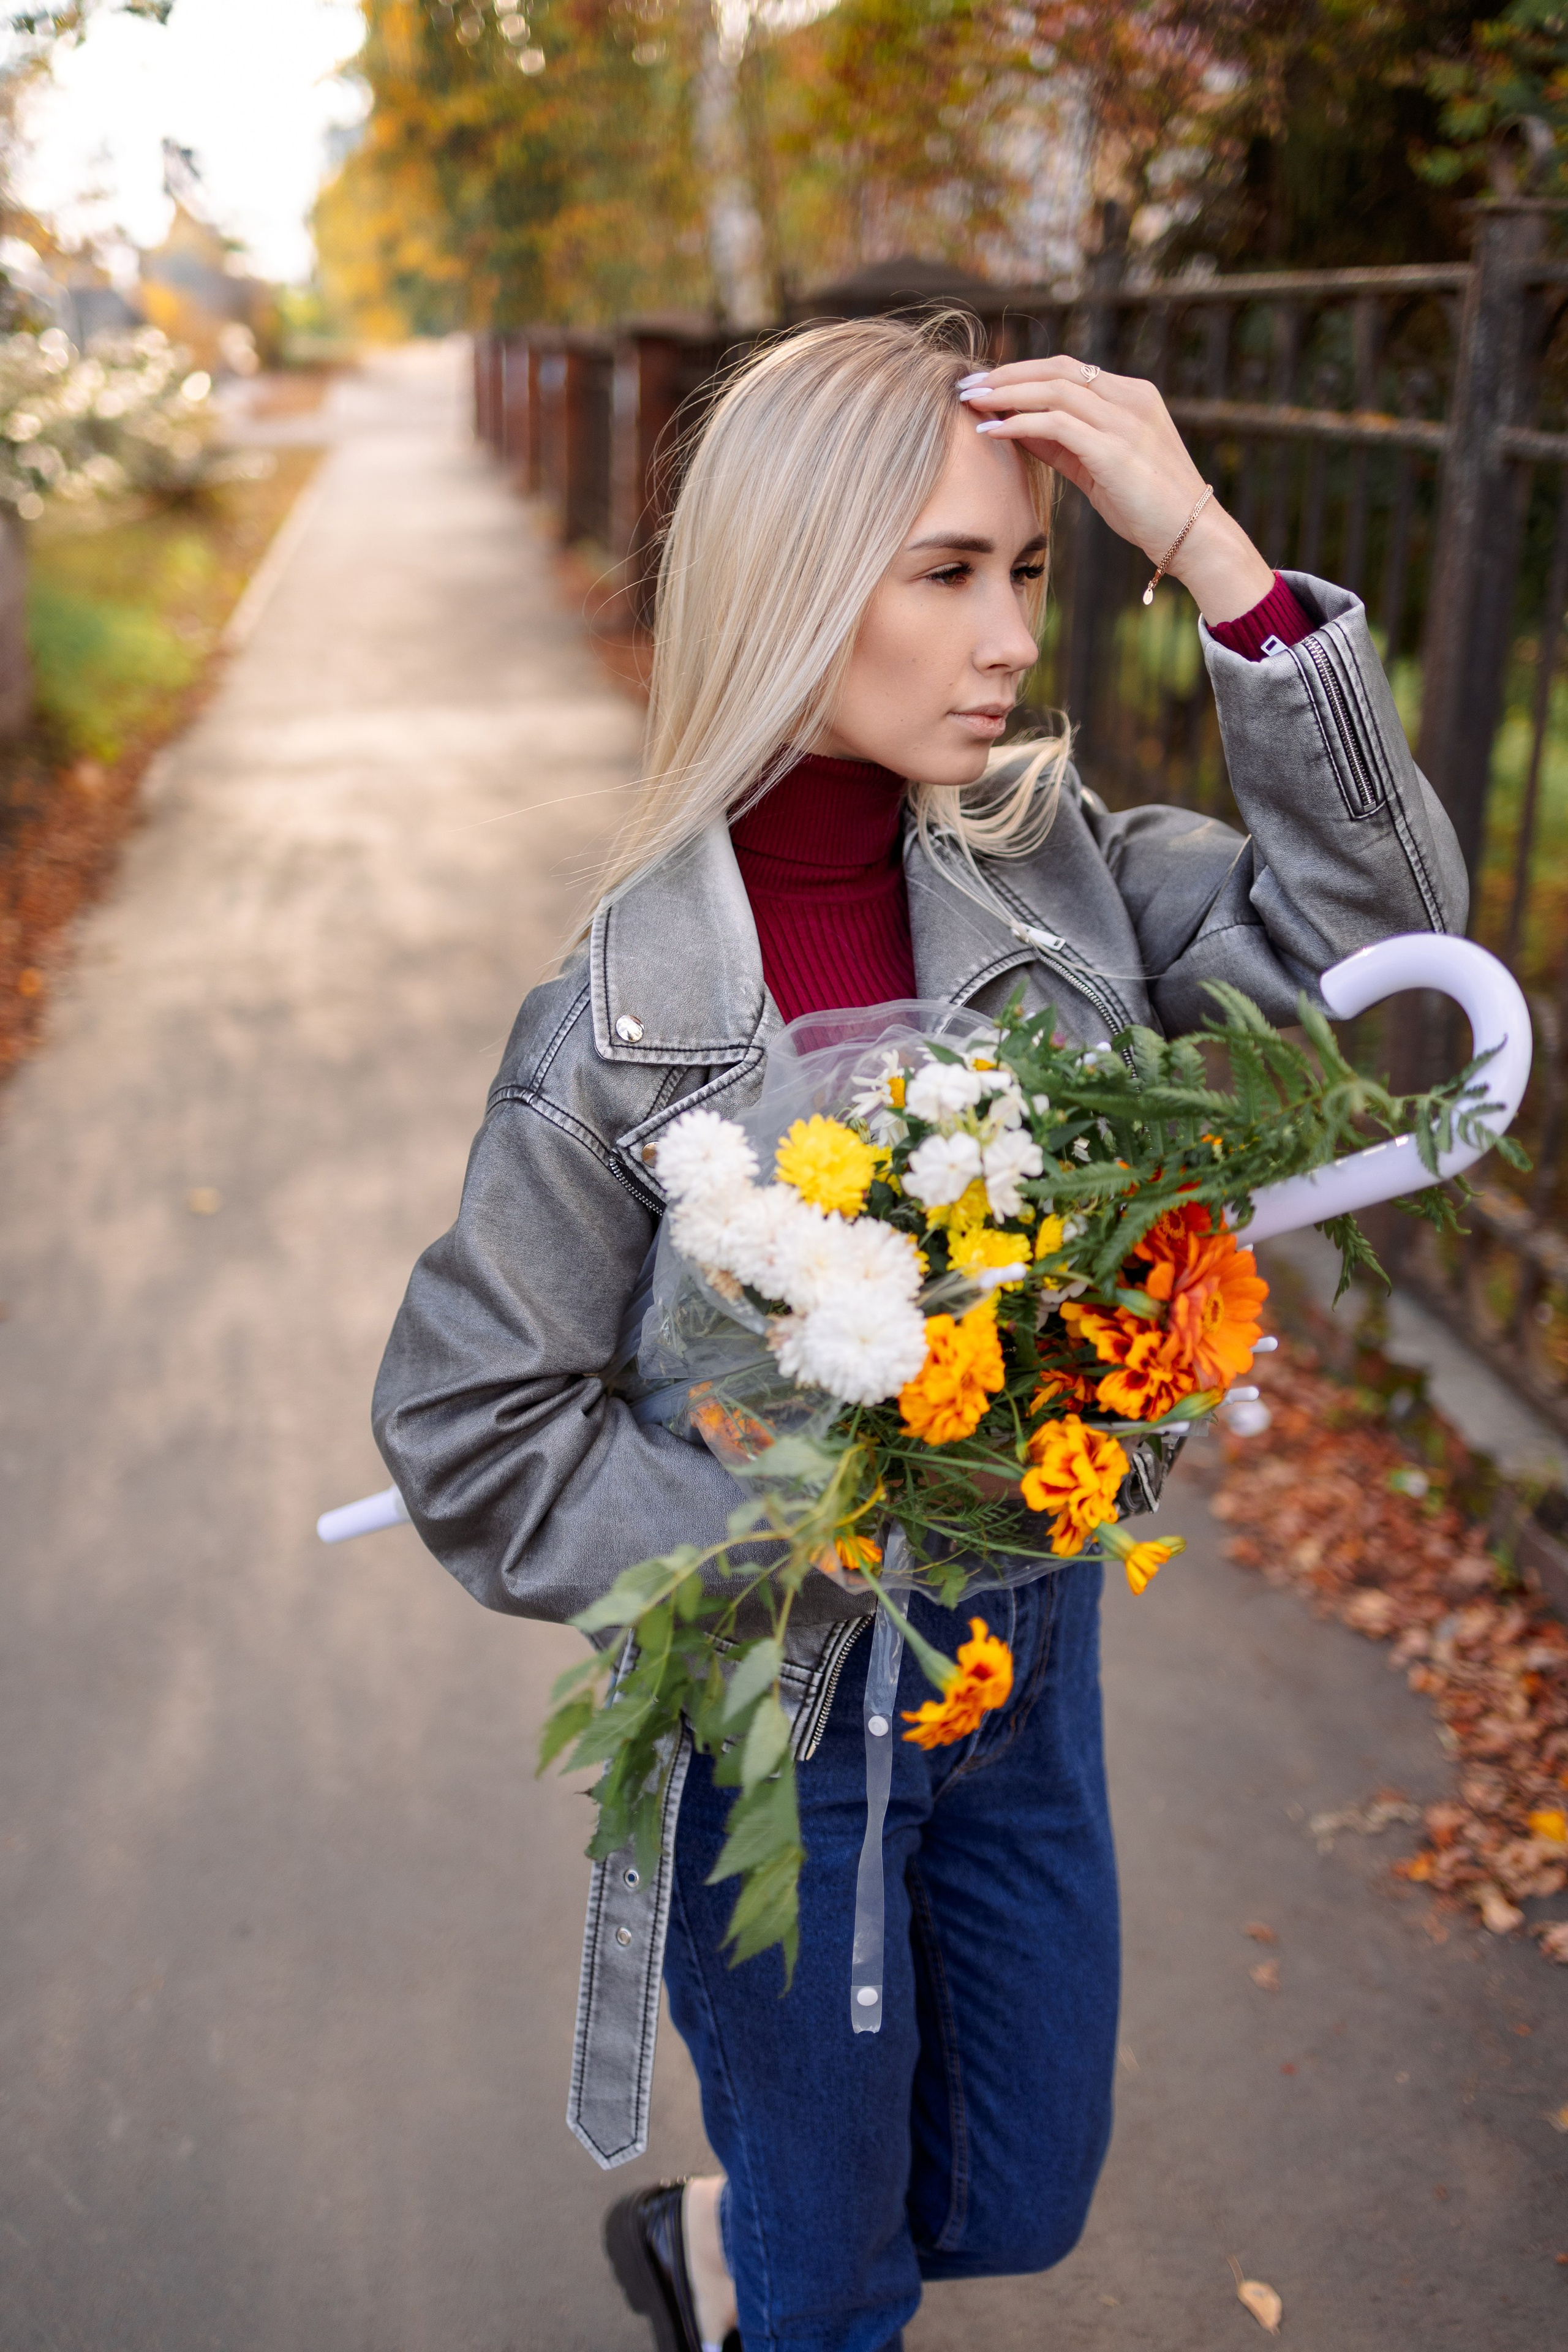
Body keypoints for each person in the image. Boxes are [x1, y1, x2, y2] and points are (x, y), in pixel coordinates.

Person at [372, 314, 1465, 2352]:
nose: (1011, 641)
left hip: (1030, 1662)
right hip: (779, 1728)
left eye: (1032, 575)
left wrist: (1221, 559)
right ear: (797, 582)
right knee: (840, 2284)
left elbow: (1378, 938)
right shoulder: (620, 1022)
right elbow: (474, 1430)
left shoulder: (1057, 873)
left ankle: (727, 2244)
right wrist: (791, 1533)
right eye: (949, 572)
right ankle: (771, 2269)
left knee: (1017, 2195)